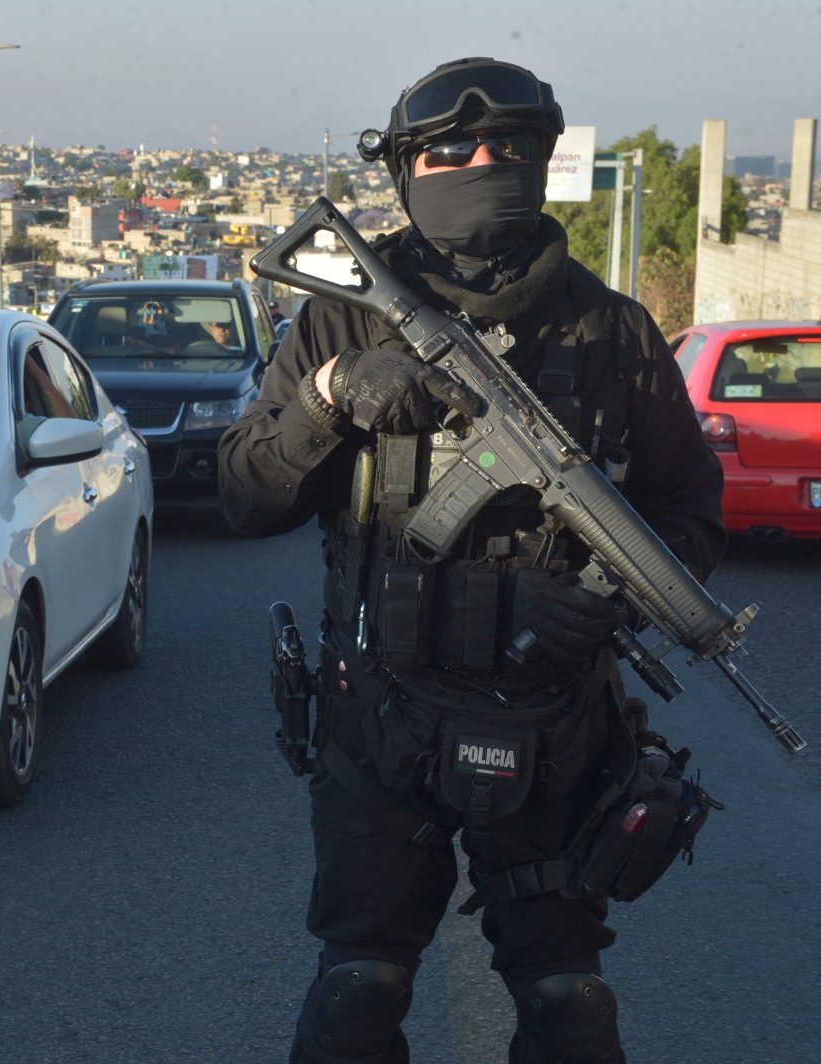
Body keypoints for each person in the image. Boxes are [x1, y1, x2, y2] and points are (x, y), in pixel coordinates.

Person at [217, 57, 725, 1063]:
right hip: (378, 716)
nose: (480, 161)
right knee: (356, 992)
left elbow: (689, 515)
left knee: (568, 1006)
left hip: (556, 726)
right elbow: (244, 495)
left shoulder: (611, 330)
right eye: (450, 147)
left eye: (509, 146)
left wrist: (605, 598)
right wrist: (327, 392)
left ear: (543, 160)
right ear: (407, 167)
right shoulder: (341, 310)